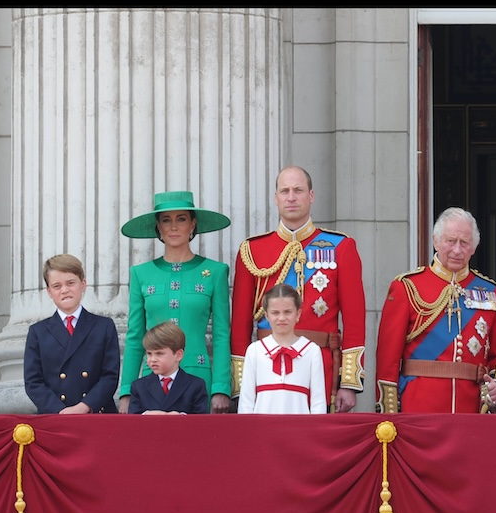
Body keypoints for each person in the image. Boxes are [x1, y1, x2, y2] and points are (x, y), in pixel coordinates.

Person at [230, 166, 366, 412]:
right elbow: (240, 325)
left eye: (298, 190)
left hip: (322, 370)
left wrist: (349, 381)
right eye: (285, 191)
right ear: (276, 198)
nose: (291, 197)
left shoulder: (341, 247)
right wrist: (241, 384)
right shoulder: (252, 251)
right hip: (264, 370)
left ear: (311, 196)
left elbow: (355, 320)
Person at [375, 207, 496, 414]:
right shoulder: (407, 287)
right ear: (435, 241)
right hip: (419, 406)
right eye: (450, 241)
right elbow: (388, 359)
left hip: (471, 409)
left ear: (474, 247)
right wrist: (389, 413)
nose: (457, 250)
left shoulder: (492, 292)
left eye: (464, 243)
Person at [118, 191, 232, 415]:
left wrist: (221, 387)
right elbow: (134, 336)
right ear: (158, 227)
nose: (173, 227)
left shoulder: (215, 272)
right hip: (152, 380)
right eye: (166, 220)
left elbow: (221, 335)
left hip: (198, 377)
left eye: (181, 219)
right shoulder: (141, 274)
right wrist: (126, 390)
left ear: (193, 224)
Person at [24, 254, 120, 414]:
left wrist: (85, 407)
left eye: (70, 283)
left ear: (83, 284)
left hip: (96, 413)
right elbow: (33, 382)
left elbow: (110, 376)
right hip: (54, 415)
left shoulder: (104, 326)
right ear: (49, 291)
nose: (65, 290)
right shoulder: (38, 332)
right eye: (57, 286)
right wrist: (60, 411)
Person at [237, 283, 327, 415]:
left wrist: (314, 433)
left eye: (288, 312)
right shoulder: (255, 350)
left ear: (298, 314)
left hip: (300, 430)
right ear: (267, 316)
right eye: (275, 313)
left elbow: (318, 402)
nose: (282, 318)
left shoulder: (311, 351)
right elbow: (246, 401)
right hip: (262, 430)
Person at [128, 321, 209, 415]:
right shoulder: (139, 386)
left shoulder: (195, 385)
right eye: (149, 354)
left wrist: (182, 418)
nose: (153, 359)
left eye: (159, 353)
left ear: (178, 355)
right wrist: (146, 415)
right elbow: (132, 422)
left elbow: (201, 422)